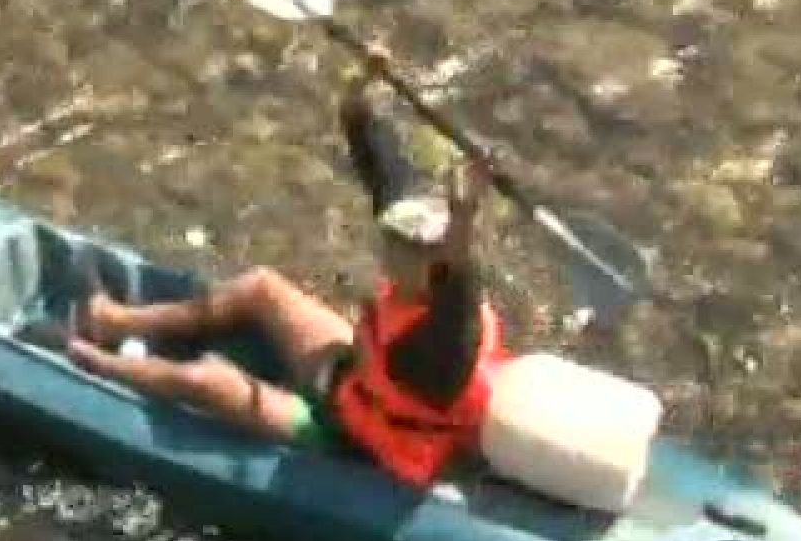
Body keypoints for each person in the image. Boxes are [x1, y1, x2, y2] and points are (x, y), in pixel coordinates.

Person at [53, 53, 510, 489]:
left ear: (434, 267)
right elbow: (382, 166)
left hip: (353, 439)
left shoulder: (442, 348)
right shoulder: (416, 250)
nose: (388, 245)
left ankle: (97, 364)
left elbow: (460, 292)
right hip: (350, 377)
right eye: (393, 235)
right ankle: (113, 319)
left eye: (403, 246)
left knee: (207, 381)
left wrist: (466, 215)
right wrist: (361, 91)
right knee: (262, 288)